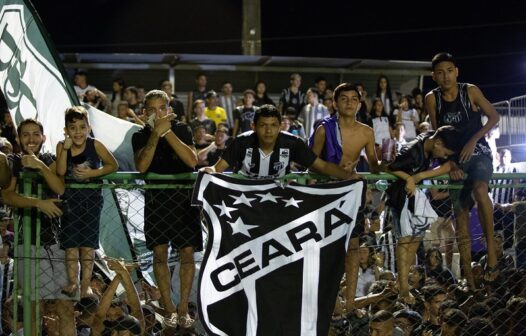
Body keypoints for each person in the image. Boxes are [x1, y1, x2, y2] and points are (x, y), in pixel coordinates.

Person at [425, 52, 500, 288]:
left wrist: (473, 140)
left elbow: (494, 117)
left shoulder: (470, 91)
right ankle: (469, 280)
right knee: (461, 218)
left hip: (479, 153)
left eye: (449, 70)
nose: (445, 76)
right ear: (434, 76)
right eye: (440, 72)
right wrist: (450, 164)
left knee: (480, 190)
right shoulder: (432, 98)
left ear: (456, 71)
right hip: (454, 160)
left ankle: (492, 254)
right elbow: (437, 137)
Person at [309, 83, 382, 311]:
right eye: (344, 99)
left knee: (353, 247)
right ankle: (320, 298)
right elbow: (310, 164)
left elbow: (374, 166)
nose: (349, 103)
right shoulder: (323, 129)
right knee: (323, 248)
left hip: (352, 192)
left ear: (359, 104)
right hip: (327, 192)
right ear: (334, 103)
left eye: (353, 99)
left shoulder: (366, 132)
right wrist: (334, 169)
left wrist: (388, 161)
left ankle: (350, 301)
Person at [1, 119, 76, 336]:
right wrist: (39, 203)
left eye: (36, 134)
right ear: (18, 138)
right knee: (34, 308)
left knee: (65, 306)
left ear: (43, 137)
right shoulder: (14, 160)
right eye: (25, 134)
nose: (31, 139)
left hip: (58, 240)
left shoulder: (51, 159)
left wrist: (39, 165)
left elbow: (59, 187)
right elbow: (8, 196)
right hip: (27, 243)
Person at [132, 89, 200, 329]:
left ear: (169, 110)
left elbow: (192, 161)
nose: (158, 114)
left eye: (162, 109)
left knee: (187, 253)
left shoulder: (182, 129)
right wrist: (154, 135)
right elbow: (141, 166)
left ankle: (183, 307)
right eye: (152, 110)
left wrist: (166, 131)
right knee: (159, 254)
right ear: (144, 112)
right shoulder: (139, 135)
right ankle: (169, 308)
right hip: (156, 200)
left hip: (183, 200)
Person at [384, 126, 461, 302]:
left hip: (414, 196)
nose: (444, 157)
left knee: (415, 240)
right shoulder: (413, 150)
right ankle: (403, 289)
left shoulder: (429, 140)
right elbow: (387, 167)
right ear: (438, 143)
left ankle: (403, 284)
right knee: (405, 241)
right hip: (400, 196)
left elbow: (450, 163)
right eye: (445, 152)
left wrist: (417, 177)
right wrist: (408, 178)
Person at [55, 106, 118, 298]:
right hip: (70, 201)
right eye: (72, 128)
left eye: (82, 127)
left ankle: (86, 284)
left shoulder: (95, 144)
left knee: (88, 245)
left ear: (89, 128)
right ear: (66, 130)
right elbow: (59, 171)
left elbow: (113, 165)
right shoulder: (61, 146)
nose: (78, 132)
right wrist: (65, 150)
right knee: (71, 244)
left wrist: (93, 173)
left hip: (92, 200)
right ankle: (73, 281)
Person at [201, 104, 358, 181]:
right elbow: (217, 168)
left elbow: (322, 166)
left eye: (273, 125)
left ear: (280, 126)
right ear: (253, 126)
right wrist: (209, 170)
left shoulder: (292, 143)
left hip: (279, 202)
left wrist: (348, 175)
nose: (268, 131)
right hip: (245, 200)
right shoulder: (241, 141)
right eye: (263, 125)